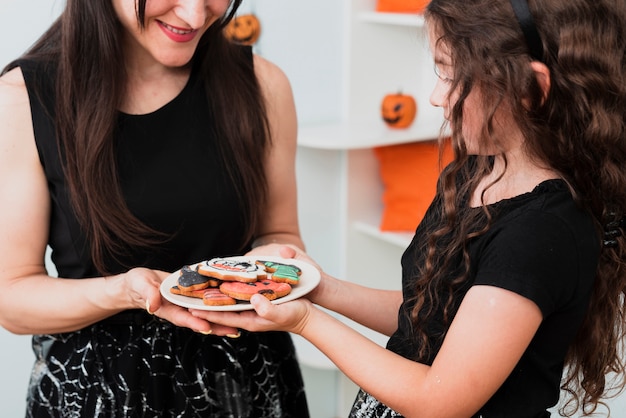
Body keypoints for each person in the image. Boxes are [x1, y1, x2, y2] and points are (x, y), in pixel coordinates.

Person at [192, 0, 626, 416]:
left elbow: (437, 402)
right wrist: (321, 289)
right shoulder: (478, 172)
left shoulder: (542, 233)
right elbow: (431, 317)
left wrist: (305, 321)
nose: (437, 97)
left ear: (531, 88)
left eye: (452, 76)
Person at [0, 0, 309, 417]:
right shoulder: (23, 99)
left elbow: (281, 233)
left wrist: (273, 264)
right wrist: (122, 291)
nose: (196, 16)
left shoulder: (262, 85)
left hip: (243, 382)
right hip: (98, 394)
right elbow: (12, 298)